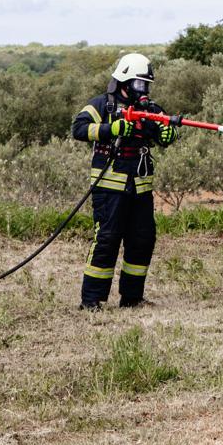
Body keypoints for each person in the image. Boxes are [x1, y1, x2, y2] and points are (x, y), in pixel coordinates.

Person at [71, 53, 177, 309]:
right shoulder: (102, 105)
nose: (144, 90)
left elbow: (166, 131)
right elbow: (78, 128)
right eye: (139, 84)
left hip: (140, 187)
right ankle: (91, 300)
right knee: (107, 239)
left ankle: (132, 298)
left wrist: (168, 133)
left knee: (142, 239)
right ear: (124, 81)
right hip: (109, 186)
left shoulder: (151, 109)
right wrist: (111, 129)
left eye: (146, 85)